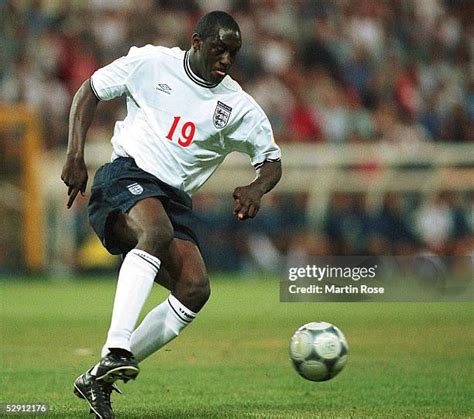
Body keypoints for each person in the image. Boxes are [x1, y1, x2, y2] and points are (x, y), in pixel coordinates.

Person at [61, 11, 281, 419]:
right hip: (125, 176)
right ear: (196, 42)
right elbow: (89, 91)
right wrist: (75, 154)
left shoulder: (238, 107)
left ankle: (97, 379)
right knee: (156, 230)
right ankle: (116, 348)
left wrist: (257, 187)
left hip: (174, 199)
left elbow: (271, 160)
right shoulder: (151, 62)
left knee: (195, 288)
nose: (226, 61)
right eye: (219, 50)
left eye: (233, 54)